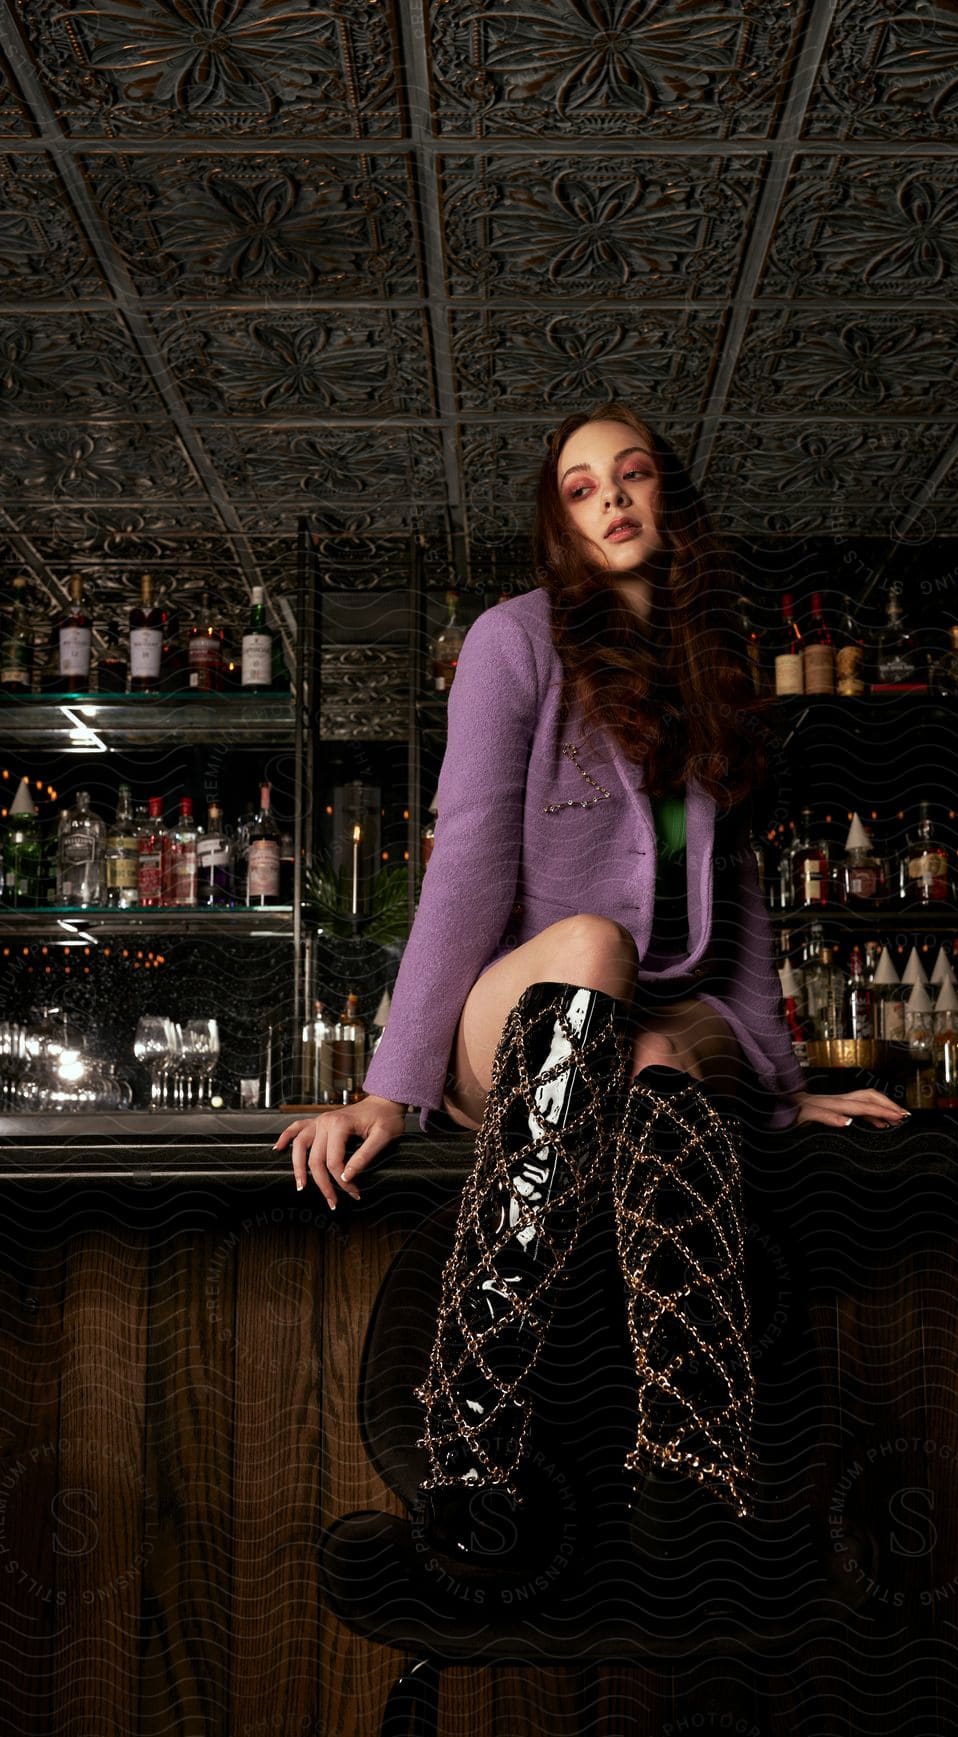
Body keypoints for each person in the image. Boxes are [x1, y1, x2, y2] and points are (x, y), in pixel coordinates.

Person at [275, 402, 906, 1564]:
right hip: (509, 1016)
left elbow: (747, 908)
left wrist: (783, 1089)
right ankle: (468, 1426)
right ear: (559, 524)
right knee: (594, 946)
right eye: (581, 488)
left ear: (671, 501)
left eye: (633, 476)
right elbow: (465, 861)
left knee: (670, 1057)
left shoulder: (714, 669)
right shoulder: (513, 642)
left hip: (645, 1025)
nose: (612, 499)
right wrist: (389, 1086)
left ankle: (692, 1462)